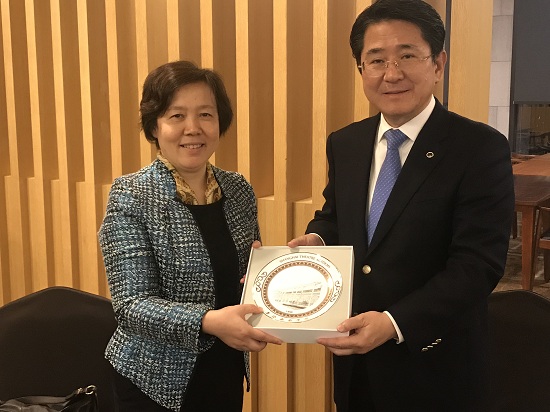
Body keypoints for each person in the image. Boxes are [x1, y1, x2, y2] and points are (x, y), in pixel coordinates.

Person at [288, 1, 514, 411]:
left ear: (438, 64)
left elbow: (478, 263)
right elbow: (336, 217)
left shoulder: (478, 148)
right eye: (376, 60)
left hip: (435, 365)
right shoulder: (346, 142)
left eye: (407, 56)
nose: (391, 74)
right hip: (355, 363)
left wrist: (394, 323)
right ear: (361, 69)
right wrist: (317, 240)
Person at [98, 60, 281, 412]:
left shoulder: (238, 190)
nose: (193, 128)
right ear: (155, 126)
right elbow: (131, 306)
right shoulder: (131, 195)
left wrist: (265, 277)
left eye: (205, 115)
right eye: (177, 116)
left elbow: (243, 277)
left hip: (225, 367)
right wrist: (208, 321)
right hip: (153, 380)